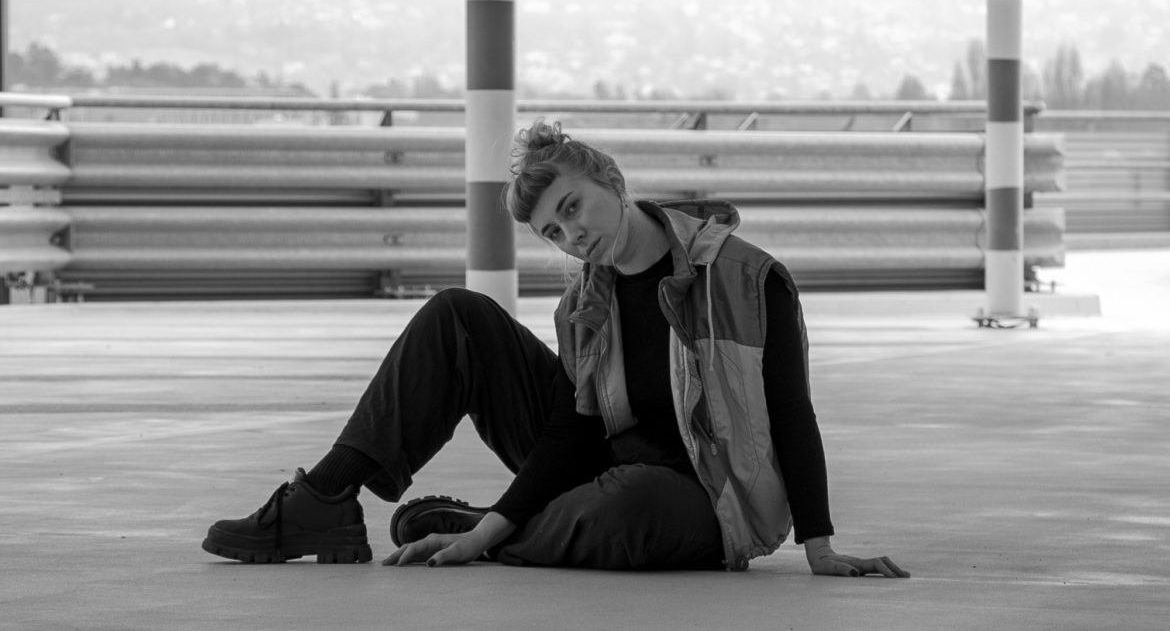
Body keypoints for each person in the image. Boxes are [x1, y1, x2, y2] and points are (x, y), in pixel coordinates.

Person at [202, 120, 909, 578]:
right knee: (458, 315)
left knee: (633, 503)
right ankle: (325, 498)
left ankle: (491, 528)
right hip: (599, 469)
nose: (573, 238)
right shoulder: (582, 305)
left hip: (701, 496)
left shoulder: (745, 278)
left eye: (572, 209)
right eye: (553, 234)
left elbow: (791, 411)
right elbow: (575, 430)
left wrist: (819, 545)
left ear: (612, 182)